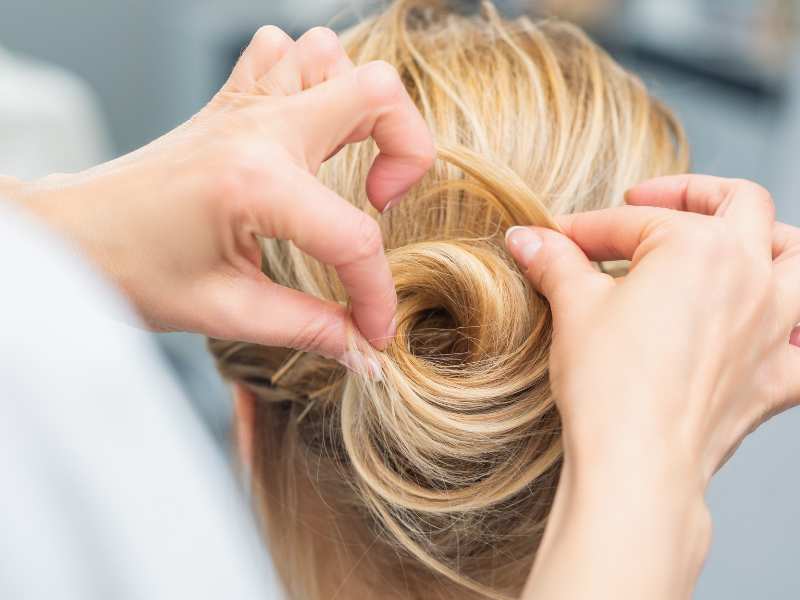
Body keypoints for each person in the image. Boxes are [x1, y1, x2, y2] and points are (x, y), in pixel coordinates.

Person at [0, 1, 798, 599]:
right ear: (697, 414)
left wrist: (56, 225)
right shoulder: (645, 476)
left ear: (245, 425)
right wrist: (644, 462)